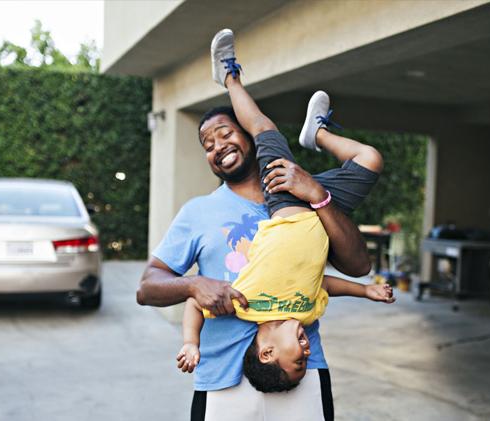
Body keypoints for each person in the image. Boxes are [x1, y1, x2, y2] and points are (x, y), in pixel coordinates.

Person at [136, 27, 374, 420]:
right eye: (207, 146)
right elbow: (147, 287)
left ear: (250, 136)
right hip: (221, 378)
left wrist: (317, 196)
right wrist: (193, 283)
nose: (217, 147)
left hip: (301, 370)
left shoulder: (302, 196)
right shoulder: (198, 212)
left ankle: (317, 133)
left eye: (225, 134)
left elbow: (357, 266)